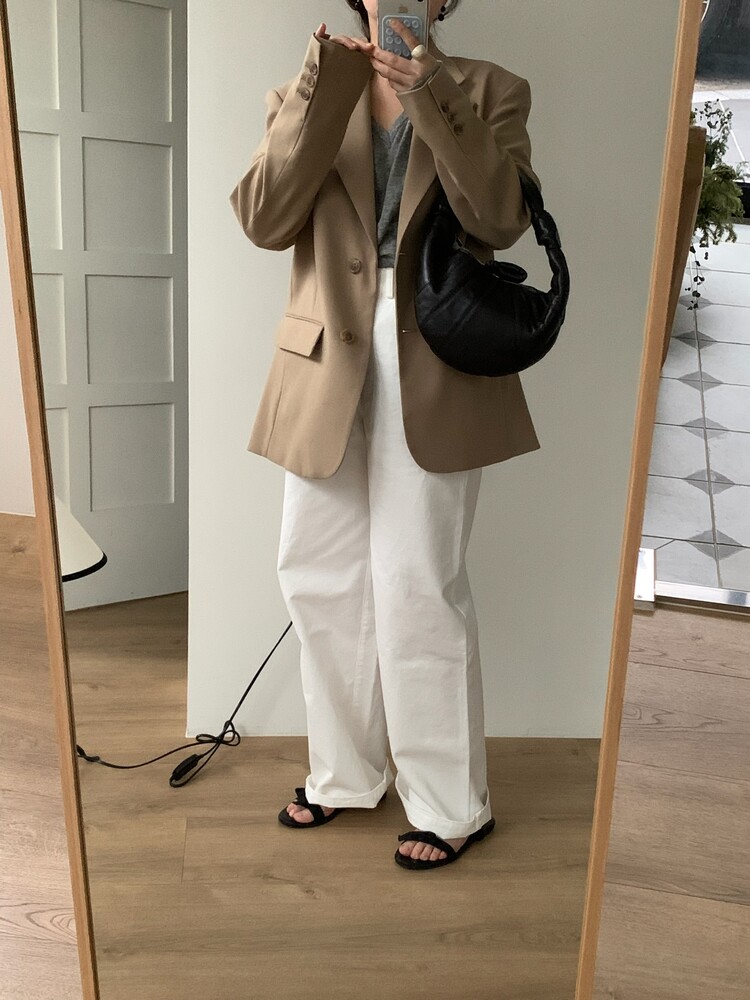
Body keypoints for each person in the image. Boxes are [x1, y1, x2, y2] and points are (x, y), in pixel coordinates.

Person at [228, 0, 541, 870]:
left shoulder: (491, 89)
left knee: (418, 582)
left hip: (434, 350)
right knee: (316, 572)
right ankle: (345, 773)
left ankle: (451, 804)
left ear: (442, 2)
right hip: (325, 352)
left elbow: (500, 217)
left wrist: (433, 93)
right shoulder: (306, 88)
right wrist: (320, 90)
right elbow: (263, 219)